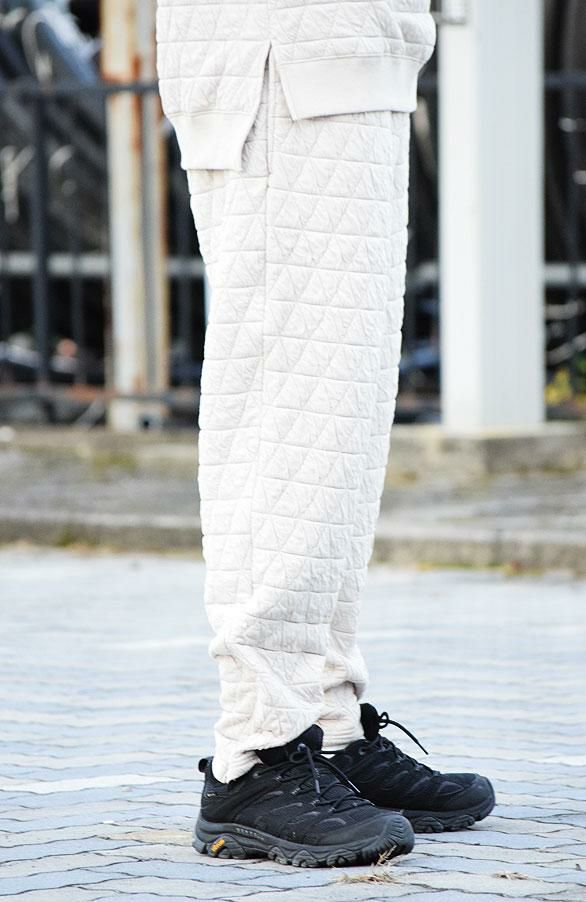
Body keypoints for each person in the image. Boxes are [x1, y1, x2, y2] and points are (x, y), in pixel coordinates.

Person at [156, 0, 495, 868]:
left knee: (337, 425)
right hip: (280, 65)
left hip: (351, 58)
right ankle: (256, 752)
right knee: (285, 411)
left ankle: (325, 724)